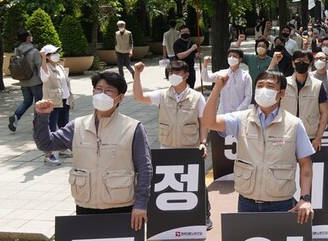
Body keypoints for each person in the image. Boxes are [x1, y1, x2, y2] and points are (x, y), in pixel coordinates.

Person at [33, 71, 151, 230]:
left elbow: (145, 168)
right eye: (98, 89)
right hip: (85, 204)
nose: (102, 94)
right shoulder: (78, 126)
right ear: (93, 92)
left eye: (109, 90)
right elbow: (46, 144)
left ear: (120, 98)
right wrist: (41, 117)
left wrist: (141, 205)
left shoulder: (133, 128)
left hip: (121, 206)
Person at [201, 70, 315, 222]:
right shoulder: (241, 119)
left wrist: (305, 198)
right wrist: (217, 89)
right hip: (247, 202)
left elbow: (306, 165)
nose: (263, 90)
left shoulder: (294, 124)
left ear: (281, 93)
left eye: (270, 86)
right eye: (260, 85)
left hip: (281, 204)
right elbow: (209, 122)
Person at [132, 60, 213, 229]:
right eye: (171, 73)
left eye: (177, 73)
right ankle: (170, 216)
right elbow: (139, 97)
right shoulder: (162, 95)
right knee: (167, 182)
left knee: (196, 182)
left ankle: (204, 215)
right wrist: (137, 75)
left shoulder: (197, 97)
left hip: (190, 147)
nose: (174, 76)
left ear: (186, 76)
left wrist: (203, 142)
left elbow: (204, 122)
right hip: (167, 147)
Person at [280, 50, 328, 151]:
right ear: (293, 63)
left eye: (305, 61)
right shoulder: (283, 83)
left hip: (309, 136)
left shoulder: (318, 85)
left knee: (307, 166)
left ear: (310, 64)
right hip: (285, 135)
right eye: (298, 60)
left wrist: (318, 138)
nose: (301, 63)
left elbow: (324, 113)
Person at [38, 44, 73, 165]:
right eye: (53, 53)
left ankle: (63, 149)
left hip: (64, 100)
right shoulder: (45, 67)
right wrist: (42, 58)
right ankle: (48, 154)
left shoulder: (59, 66)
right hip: (53, 102)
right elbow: (44, 77)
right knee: (51, 128)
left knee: (64, 126)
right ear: (47, 57)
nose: (56, 55)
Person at [8, 28, 43, 133]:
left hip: (23, 80)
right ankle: (37, 124)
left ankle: (16, 117)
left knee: (27, 101)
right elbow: (40, 67)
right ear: (28, 38)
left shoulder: (17, 50)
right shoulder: (34, 51)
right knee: (39, 103)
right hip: (35, 81)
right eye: (30, 35)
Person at [202, 49, 253, 114]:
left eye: (234, 56)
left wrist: (238, 111)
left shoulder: (245, 76)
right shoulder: (222, 73)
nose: (231, 58)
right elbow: (206, 78)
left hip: (239, 114)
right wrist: (205, 65)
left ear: (240, 59)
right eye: (230, 56)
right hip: (223, 113)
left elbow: (248, 97)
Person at [173, 25, 200, 89]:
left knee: (191, 88)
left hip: (190, 70)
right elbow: (180, 56)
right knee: (181, 88)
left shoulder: (192, 43)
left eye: (187, 32)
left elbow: (195, 55)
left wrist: (198, 55)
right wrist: (191, 49)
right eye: (183, 32)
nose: (185, 33)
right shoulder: (177, 43)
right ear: (180, 33)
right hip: (180, 70)